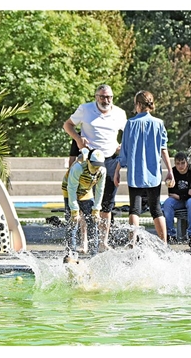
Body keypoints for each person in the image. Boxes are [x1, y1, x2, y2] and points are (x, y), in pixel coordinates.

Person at [63, 84, 127, 251]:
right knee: (85, 201)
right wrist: (77, 139)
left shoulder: (119, 113)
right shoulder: (85, 109)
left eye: (109, 97)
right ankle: (84, 241)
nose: (106, 100)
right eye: (102, 97)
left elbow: (127, 133)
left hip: (110, 160)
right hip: (88, 160)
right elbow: (67, 125)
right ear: (96, 96)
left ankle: (102, 242)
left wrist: (122, 146)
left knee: (107, 203)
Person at [114, 90, 174, 245]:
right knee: (156, 209)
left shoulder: (130, 123)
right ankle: (164, 244)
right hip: (153, 173)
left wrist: (117, 171)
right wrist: (170, 171)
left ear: (138, 105)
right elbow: (163, 149)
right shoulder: (159, 123)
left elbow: (124, 152)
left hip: (135, 173)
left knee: (134, 210)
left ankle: (132, 244)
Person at [62, 148, 106, 256]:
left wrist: (96, 209)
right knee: (73, 222)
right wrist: (74, 210)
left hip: (86, 191)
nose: (96, 169)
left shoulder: (102, 171)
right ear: (88, 161)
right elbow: (71, 189)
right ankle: (71, 253)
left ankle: (93, 254)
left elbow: (100, 190)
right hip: (70, 190)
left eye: (98, 166)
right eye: (94, 165)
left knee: (93, 221)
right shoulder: (78, 167)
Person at [163, 151, 191, 243]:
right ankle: (170, 234)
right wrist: (187, 192)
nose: (180, 166)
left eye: (183, 163)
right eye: (178, 163)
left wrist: (180, 195)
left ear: (187, 162)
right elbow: (171, 192)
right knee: (168, 203)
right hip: (180, 201)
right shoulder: (172, 172)